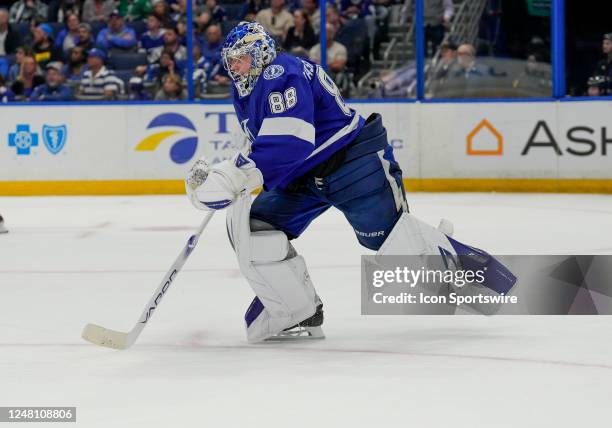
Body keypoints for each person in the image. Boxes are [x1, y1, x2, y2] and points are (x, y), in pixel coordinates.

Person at [184, 22, 515, 342]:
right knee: (256, 227)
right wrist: (221, 175)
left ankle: (485, 275)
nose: (236, 66)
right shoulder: (248, 88)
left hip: (352, 164)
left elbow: (290, 140)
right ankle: (296, 310)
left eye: (242, 58)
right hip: (303, 177)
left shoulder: (281, 72)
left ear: (261, 53)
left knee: (396, 248)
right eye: (232, 61)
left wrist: (235, 173)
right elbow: (259, 142)